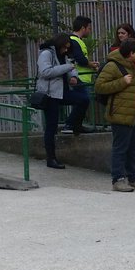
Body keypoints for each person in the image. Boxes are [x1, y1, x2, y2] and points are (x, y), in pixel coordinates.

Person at [95, 39, 135, 192]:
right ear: (132, 53)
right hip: (121, 113)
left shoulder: (134, 66)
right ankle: (118, 179)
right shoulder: (113, 66)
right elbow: (100, 86)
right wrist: (122, 81)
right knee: (120, 148)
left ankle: (134, 177)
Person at [34, 33, 85, 169]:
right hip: (50, 94)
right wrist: (68, 68)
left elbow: (69, 66)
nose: (66, 51)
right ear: (59, 45)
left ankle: (74, 125)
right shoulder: (46, 54)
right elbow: (45, 72)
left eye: (67, 48)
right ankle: (51, 158)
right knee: (51, 126)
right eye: (64, 48)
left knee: (84, 99)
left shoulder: (63, 55)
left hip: (63, 91)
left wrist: (72, 76)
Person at [65, 16, 98, 134]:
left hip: (82, 76)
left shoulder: (77, 41)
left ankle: (76, 125)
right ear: (83, 28)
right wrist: (91, 65)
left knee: (83, 101)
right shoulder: (74, 40)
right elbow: (79, 59)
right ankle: (70, 124)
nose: (90, 31)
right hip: (79, 76)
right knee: (83, 100)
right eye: (89, 28)